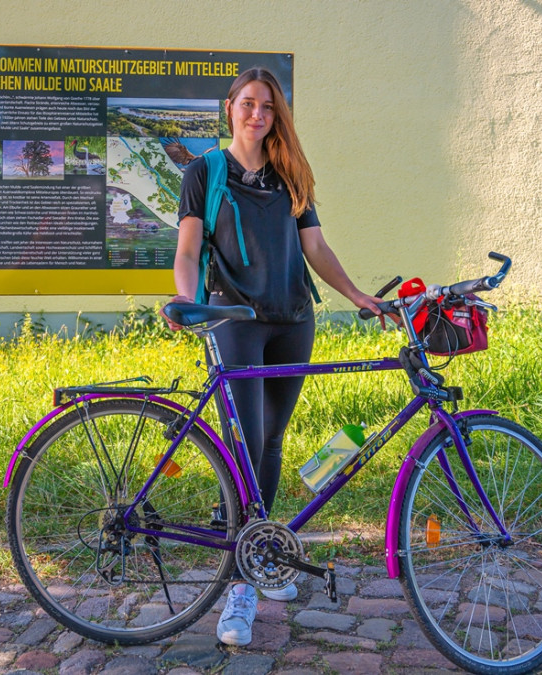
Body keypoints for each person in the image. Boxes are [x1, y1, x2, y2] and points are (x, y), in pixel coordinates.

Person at [162, 67, 382, 647]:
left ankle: (261, 552)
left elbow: (315, 247)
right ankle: (240, 582)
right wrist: (189, 303)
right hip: (234, 320)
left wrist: (358, 295)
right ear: (230, 107)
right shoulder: (204, 171)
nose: (258, 113)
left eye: (268, 106)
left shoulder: (291, 174)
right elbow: (188, 249)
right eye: (248, 103)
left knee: (272, 440)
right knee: (245, 445)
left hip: (292, 321)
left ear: (277, 114)